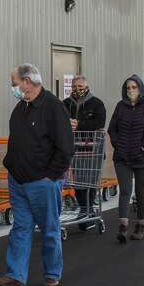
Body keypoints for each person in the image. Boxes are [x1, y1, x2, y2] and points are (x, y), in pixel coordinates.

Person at [0, 64, 74, 286]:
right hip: (18, 180)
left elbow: (65, 146)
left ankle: (52, 274)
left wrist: (51, 176)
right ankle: (16, 275)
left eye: (14, 83)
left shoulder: (53, 107)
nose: (12, 87)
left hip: (43, 182)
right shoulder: (20, 109)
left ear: (27, 81)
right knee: (21, 228)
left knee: (49, 229)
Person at [107, 74, 144, 242]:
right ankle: (123, 227)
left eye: (134, 87)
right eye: (128, 88)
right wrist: (118, 144)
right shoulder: (120, 106)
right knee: (124, 191)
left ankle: (140, 227)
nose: (130, 90)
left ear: (140, 89)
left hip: (142, 158)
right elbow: (112, 129)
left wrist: (143, 145)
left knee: (140, 192)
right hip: (122, 157)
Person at [62, 75, 107, 219]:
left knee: (90, 181)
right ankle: (85, 210)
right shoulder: (65, 104)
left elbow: (100, 122)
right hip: (73, 149)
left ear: (86, 87)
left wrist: (79, 125)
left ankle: (88, 210)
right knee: (78, 181)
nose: (77, 89)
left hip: (92, 149)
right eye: (74, 87)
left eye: (80, 87)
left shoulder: (97, 104)